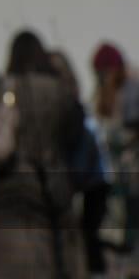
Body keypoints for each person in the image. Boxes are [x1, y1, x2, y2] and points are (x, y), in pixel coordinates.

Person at [0, 31, 86, 278]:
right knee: (57, 250)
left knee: (15, 255)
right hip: (55, 179)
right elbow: (76, 133)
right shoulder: (59, 90)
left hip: (14, 181)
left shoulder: (6, 88)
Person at [52, 50, 111, 276]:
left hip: (87, 179)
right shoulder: (72, 100)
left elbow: (85, 147)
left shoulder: (70, 104)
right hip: (86, 178)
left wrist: (72, 180)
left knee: (88, 237)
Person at [90, 42, 139, 251]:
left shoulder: (132, 89)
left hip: (130, 174)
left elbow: (128, 130)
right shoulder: (108, 94)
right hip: (117, 176)